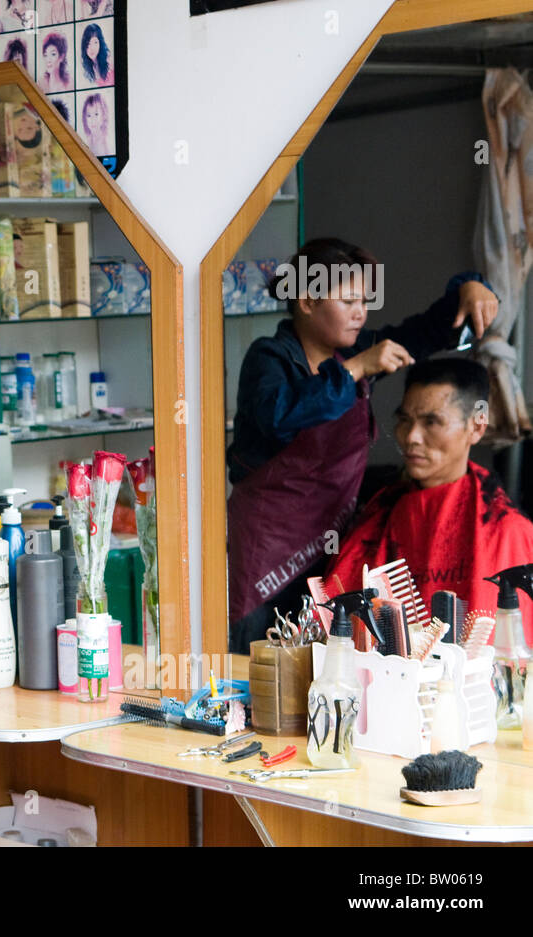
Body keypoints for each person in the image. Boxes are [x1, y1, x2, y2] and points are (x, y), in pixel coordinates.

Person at [226, 238, 499, 652]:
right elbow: (280, 415)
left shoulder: (354, 353)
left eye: (365, 300)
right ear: (306, 301)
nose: (361, 312)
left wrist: (470, 285)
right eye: (349, 300)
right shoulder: (269, 359)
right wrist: (358, 367)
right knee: (262, 660)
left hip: (333, 544)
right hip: (269, 553)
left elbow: (424, 332)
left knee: (320, 660)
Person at [325, 359, 533, 644]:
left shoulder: (506, 529)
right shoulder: (379, 515)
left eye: (432, 422)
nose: (411, 437)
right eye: (405, 420)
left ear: (476, 427)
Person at [79, 22, 112, 87]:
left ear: (100, 43)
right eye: (88, 44)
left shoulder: (109, 61)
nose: (92, 48)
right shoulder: (85, 71)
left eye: (95, 42)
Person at [80, 91, 110, 156]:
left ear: (103, 116)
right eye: (88, 115)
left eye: (96, 114)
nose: (92, 119)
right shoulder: (87, 141)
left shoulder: (105, 143)